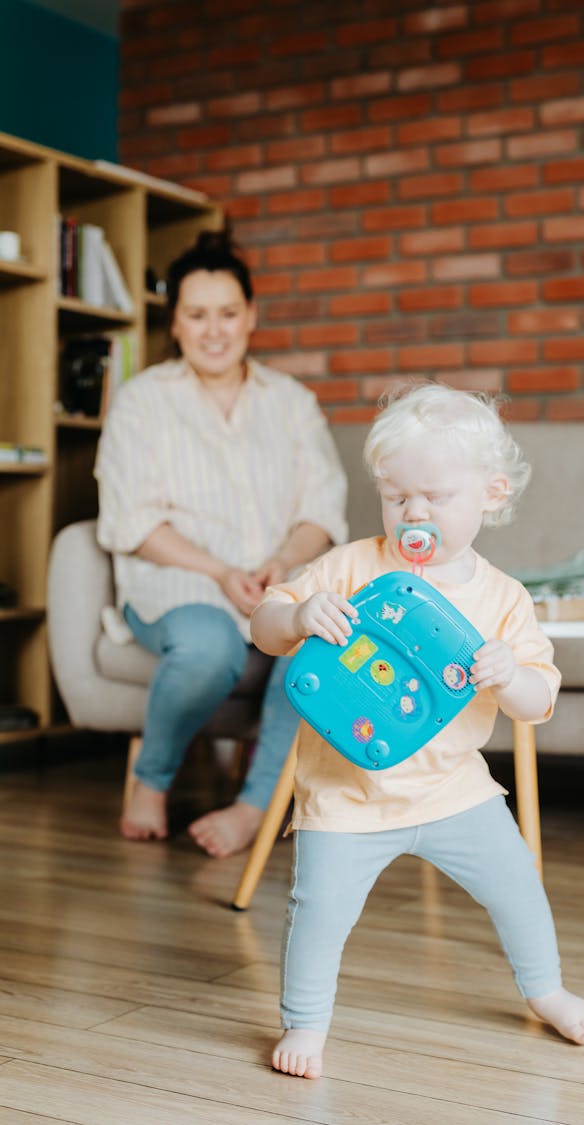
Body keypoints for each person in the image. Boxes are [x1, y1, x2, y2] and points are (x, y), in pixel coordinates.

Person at [251, 382, 584, 1079]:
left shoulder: (502, 596)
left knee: (518, 887)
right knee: (318, 912)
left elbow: (537, 702)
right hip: (346, 795)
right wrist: (298, 615)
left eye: (435, 497)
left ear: (492, 494)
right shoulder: (351, 565)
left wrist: (508, 675)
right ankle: (305, 1022)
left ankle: (546, 989)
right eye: (395, 495)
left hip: (454, 791)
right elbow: (264, 626)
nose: (412, 513)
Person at [95, 229, 347, 857]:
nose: (214, 330)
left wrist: (282, 562)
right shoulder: (141, 402)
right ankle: (151, 781)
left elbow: (323, 509)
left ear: (251, 317)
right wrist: (219, 571)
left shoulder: (292, 402)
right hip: (176, 583)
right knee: (209, 644)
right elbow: (130, 519)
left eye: (228, 314)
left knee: (321, 644)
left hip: (276, 583)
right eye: (196, 315)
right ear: (174, 323)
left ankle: (254, 807)